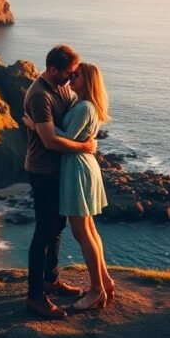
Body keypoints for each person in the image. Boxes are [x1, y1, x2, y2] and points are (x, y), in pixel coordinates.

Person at [25, 62, 115, 312]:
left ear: (88, 81)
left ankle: (96, 291)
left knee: (82, 232)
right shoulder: (81, 103)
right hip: (79, 166)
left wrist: (37, 126)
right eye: (71, 73)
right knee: (89, 229)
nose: (71, 78)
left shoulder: (84, 107)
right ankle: (105, 282)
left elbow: (66, 138)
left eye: (77, 75)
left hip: (77, 169)